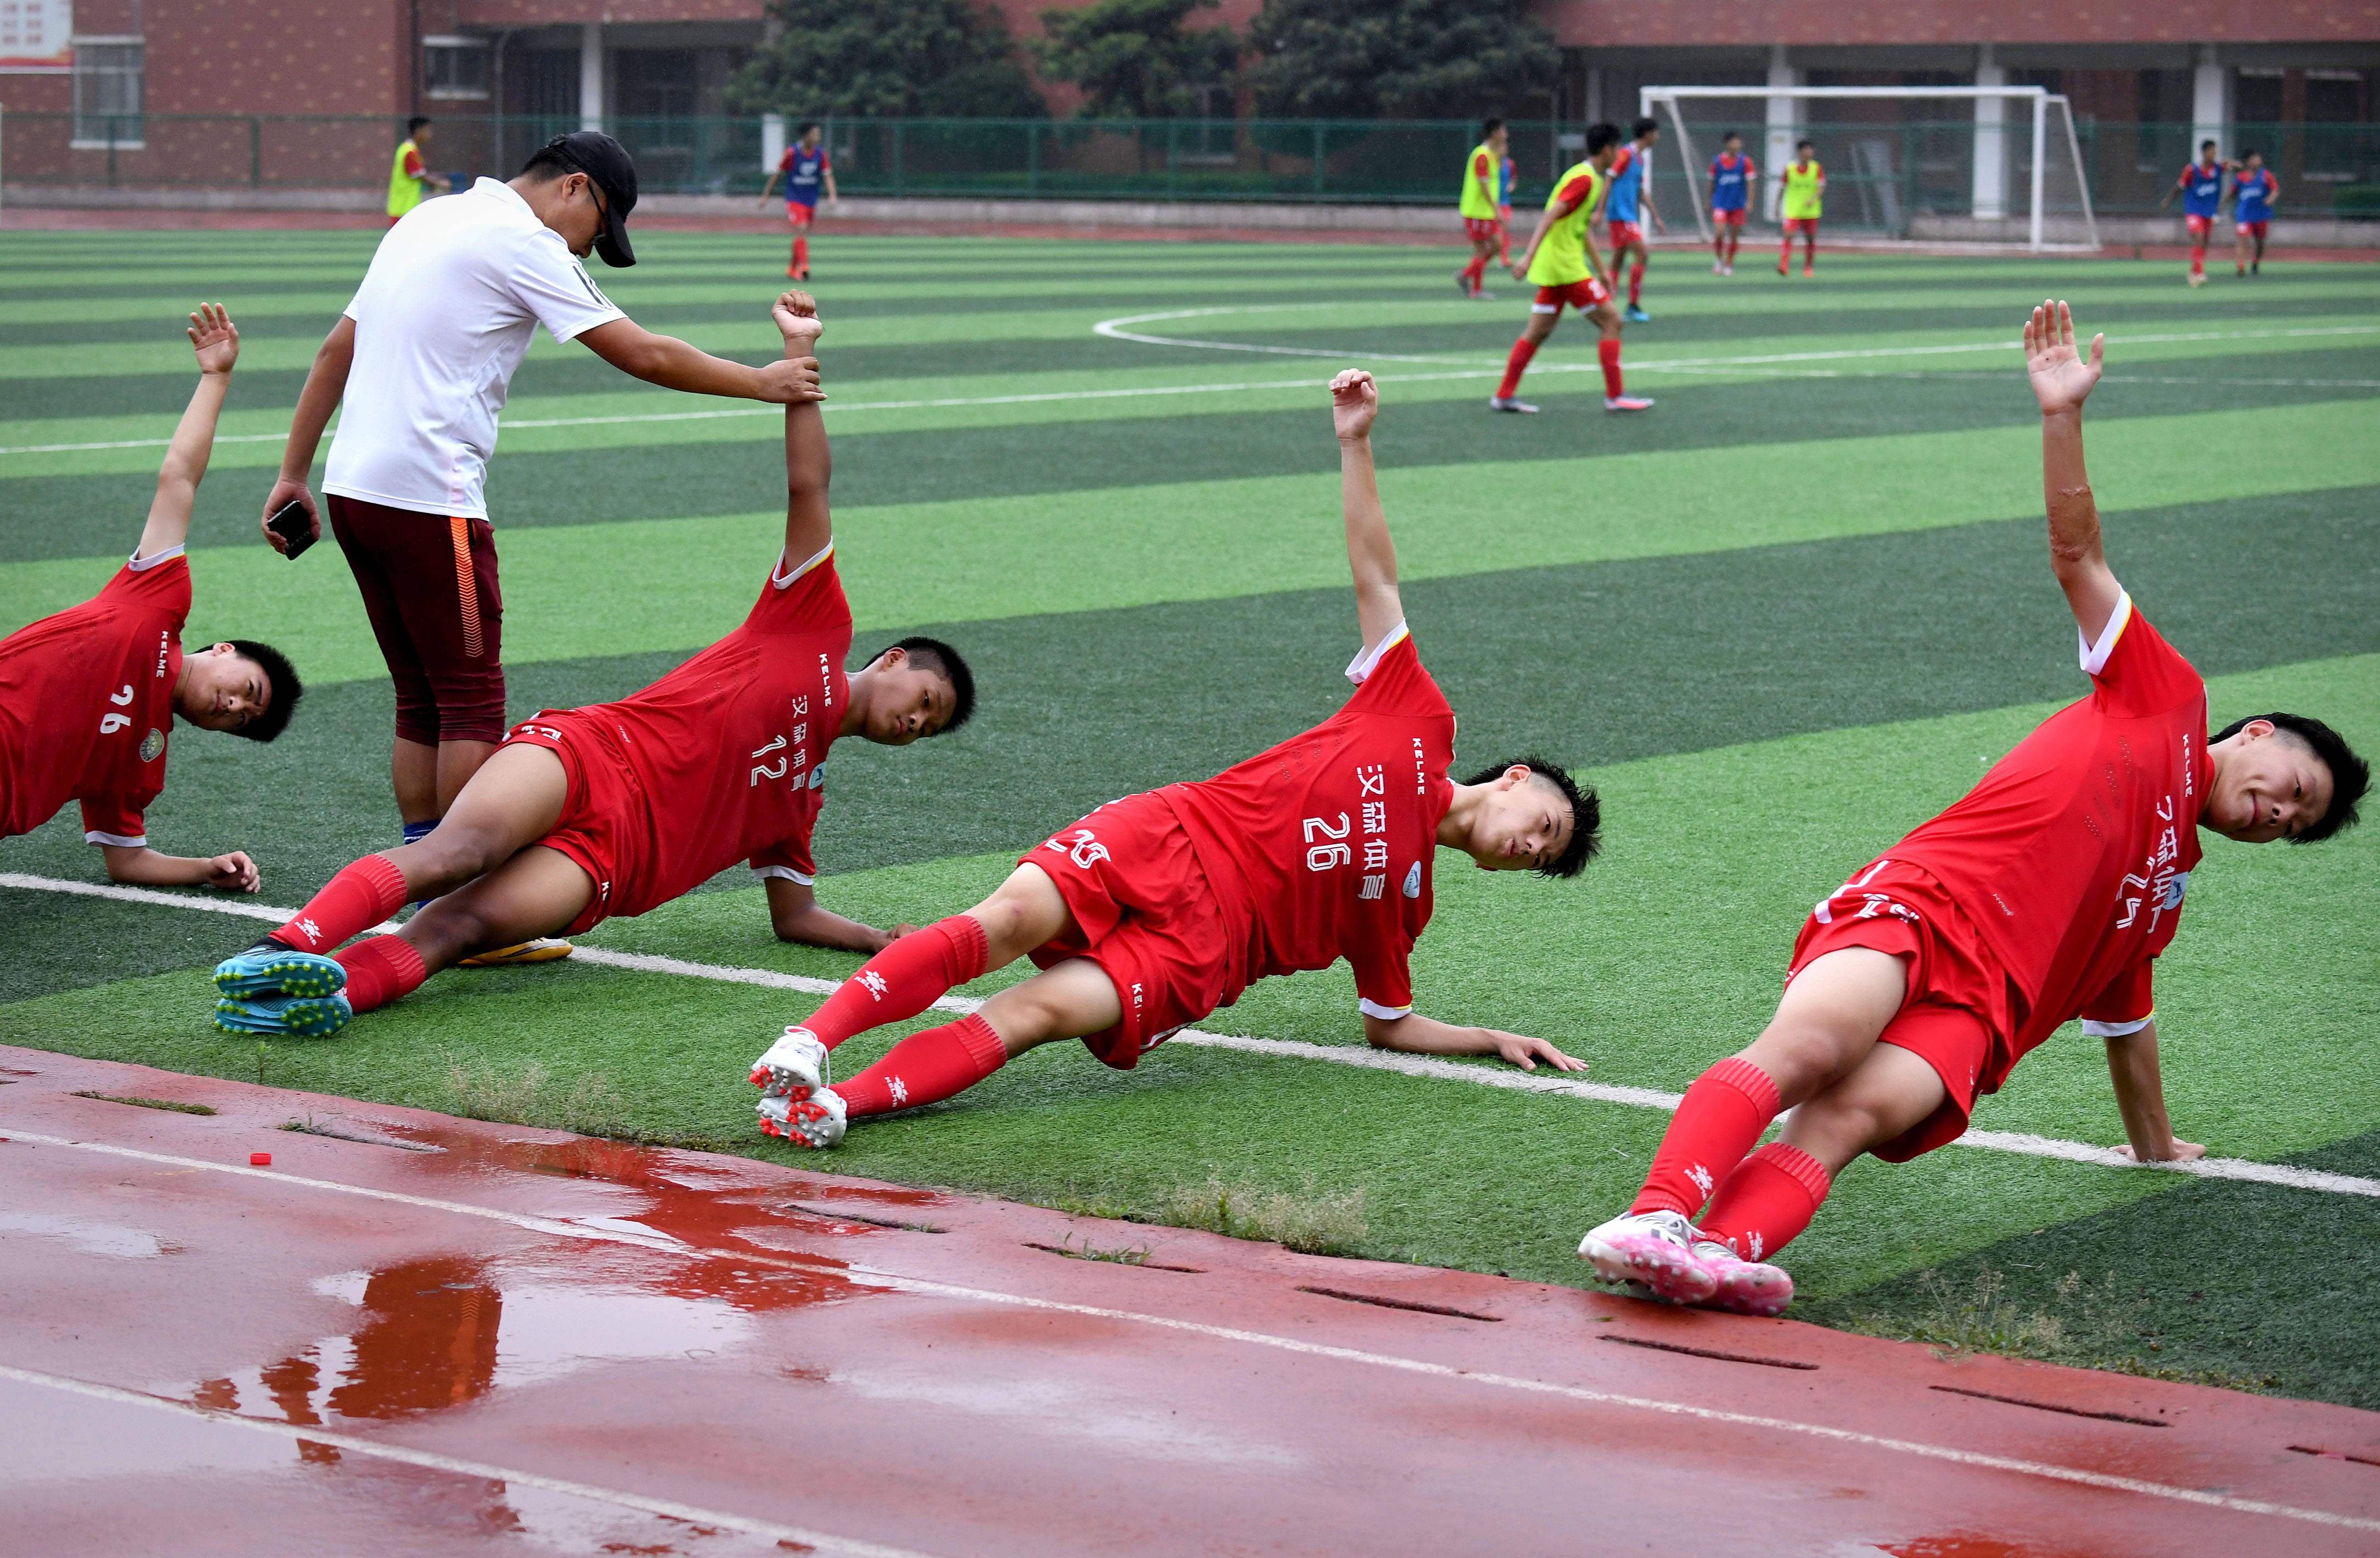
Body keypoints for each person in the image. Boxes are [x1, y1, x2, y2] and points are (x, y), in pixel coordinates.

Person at [1577, 302, 2369, 1317]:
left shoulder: (2160, 898)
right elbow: (2079, 559)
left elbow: (2130, 1030)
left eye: (2294, 827)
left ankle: (1709, 1253)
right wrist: (2061, 416)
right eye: (2294, 790)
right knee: (1809, 1053)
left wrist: (2157, 1146)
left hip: (1981, 1014)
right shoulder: (2168, 695)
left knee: (1848, 1120)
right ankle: (1652, 1216)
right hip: (1926, 907)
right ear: (2258, 733)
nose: (2277, 816)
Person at [744, 367, 1599, 1147]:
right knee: (1001, 923)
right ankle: (810, 1041)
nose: (1529, 846)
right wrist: (1355, 440)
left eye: (1539, 858)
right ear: (1516, 780)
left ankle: (835, 1104)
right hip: (1174, 832)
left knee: (1039, 1011)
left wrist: (1489, 1038)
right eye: (1545, 826)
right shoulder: (1416, 714)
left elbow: (1388, 1023)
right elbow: (1375, 576)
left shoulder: (1405, 910)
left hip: (1207, 950)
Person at [211, 293, 979, 1039]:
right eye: (927, 697)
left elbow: (795, 916)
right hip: (590, 754)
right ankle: (278, 951)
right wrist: (798, 355)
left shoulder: (801, 804)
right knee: (453, 853)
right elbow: (808, 485)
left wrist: (878, 940)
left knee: (460, 927)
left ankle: (319, 996)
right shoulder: (810, 623)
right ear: (893, 658)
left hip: (610, 858)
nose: (915, 721)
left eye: (927, 727)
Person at [263, 131, 819, 967]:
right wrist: (763, 381)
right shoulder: (524, 241)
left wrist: (292, 473)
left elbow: (336, 349)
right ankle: (461, 899)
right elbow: (640, 352)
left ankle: (429, 867)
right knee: (470, 699)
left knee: (421, 697)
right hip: (430, 496)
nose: (586, 248)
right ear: (575, 189)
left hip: (354, 488)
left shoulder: (427, 219)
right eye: (597, 230)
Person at [1, 305, 303, 890]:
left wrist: (205, 868)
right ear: (223, 651)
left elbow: (128, 860)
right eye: (249, 690)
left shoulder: (143, 765)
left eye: (242, 721)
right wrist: (216, 378)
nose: (236, 708)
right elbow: (180, 478)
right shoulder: (158, 601)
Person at [1491, 123, 1652, 415]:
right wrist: (1528, 255)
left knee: (1537, 332)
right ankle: (1616, 396)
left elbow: (1580, 228)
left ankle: (1504, 396)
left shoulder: (1587, 177)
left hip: (1558, 269)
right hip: (1566, 269)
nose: (1619, 153)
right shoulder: (1586, 180)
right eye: (1617, 147)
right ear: (1608, 149)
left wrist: (1602, 268)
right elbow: (1551, 214)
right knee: (1612, 321)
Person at [758, 121, 838, 281]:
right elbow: (777, 175)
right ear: (806, 135)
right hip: (795, 199)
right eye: (815, 134)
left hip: (811, 200)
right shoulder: (792, 153)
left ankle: (791, 269)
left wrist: (833, 195)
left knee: (802, 235)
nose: (818, 137)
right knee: (801, 230)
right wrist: (766, 195)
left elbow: (828, 176)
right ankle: (805, 267)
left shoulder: (820, 154)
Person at [1603, 116, 1665, 321]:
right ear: (1648, 134)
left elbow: (1640, 191)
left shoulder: (1640, 159)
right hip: (1620, 215)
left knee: (1618, 260)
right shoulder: (1626, 154)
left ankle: (1607, 303)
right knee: (1643, 254)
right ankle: (1632, 305)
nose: (1658, 137)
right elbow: (1610, 178)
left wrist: (1656, 216)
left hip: (1628, 215)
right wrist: (1599, 210)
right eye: (1656, 133)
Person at [2158, 140, 2226, 289]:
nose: (2214, 154)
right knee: (2199, 238)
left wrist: (2234, 164)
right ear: (2204, 152)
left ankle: (2194, 270)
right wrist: (2168, 200)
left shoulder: (2218, 168)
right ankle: (2199, 274)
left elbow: (2237, 167)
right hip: (2193, 210)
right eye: (2212, 151)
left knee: (2205, 242)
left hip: (2209, 211)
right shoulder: (2192, 169)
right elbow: (2180, 186)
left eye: (2215, 151)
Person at [1456, 118, 1509, 300]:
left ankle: (1467, 274)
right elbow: (1484, 186)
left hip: (1485, 212)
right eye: (1503, 130)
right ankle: (1476, 289)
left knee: (1497, 245)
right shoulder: (1482, 156)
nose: (1505, 134)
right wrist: (1498, 210)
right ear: (1494, 133)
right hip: (1477, 211)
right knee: (1481, 250)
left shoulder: (1492, 155)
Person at [1707, 131, 1754, 275]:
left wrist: (1750, 201)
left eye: (1739, 142)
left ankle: (1729, 263)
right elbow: (1711, 182)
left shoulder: (1745, 162)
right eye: (1734, 142)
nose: (1737, 144)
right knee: (1720, 232)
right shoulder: (1717, 162)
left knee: (1734, 235)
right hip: (1720, 203)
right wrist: (1709, 200)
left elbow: (1751, 183)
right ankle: (1719, 259)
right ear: (1727, 144)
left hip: (1737, 204)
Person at [2228, 148, 2279, 277]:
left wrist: (2270, 199)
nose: (2258, 161)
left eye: (2259, 158)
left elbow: (2275, 190)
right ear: (2248, 162)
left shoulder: (2266, 175)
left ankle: (2256, 262)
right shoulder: (2240, 178)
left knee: (2260, 243)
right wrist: (2222, 204)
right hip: (2244, 215)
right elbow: (2232, 194)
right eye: (2255, 159)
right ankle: (2241, 266)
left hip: (2261, 215)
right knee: (2242, 239)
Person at [1776, 139, 1823, 277]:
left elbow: (1821, 187)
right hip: (1793, 210)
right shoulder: (1790, 169)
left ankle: (1808, 267)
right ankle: (1784, 265)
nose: (1810, 153)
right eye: (1807, 150)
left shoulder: (1816, 168)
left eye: (1811, 150)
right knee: (1788, 236)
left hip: (1811, 211)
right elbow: (1782, 189)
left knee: (1810, 239)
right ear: (1800, 152)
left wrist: (1813, 199)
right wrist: (1777, 206)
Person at [387, 118, 439, 227]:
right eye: (428, 131)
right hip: (405, 206)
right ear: (418, 132)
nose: (430, 135)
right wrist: (439, 184)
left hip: (401, 205)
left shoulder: (404, 148)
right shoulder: (410, 152)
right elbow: (418, 174)